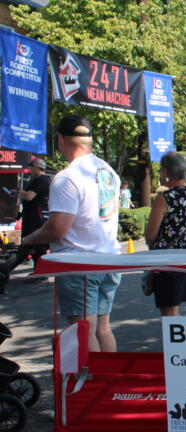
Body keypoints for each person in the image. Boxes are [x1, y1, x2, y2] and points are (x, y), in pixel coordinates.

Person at [21, 115, 122, 352]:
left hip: (80, 263)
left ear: (61, 140)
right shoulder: (107, 171)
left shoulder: (67, 177)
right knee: (103, 329)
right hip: (109, 259)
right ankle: (108, 386)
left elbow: (58, 228)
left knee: (83, 331)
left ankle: (92, 386)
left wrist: (30, 239)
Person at [145, 152, 186, 317]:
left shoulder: (164, 198)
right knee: (174, 310)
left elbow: (150, 234)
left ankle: (175, 343)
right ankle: (179, 342)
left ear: (166, 172)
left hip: (167, 261)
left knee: (169, 313)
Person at [17, 158, 50, 274]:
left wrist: (19, 191)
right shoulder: (39, 180)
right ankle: (38, 270)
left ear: (37, 167)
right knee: (31, 244)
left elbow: (29, 197)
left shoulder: (41, 180)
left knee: (37, 244)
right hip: (33, 214)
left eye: (31, 167)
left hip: (36, 215)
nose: (30, 169)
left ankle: (41, 272)